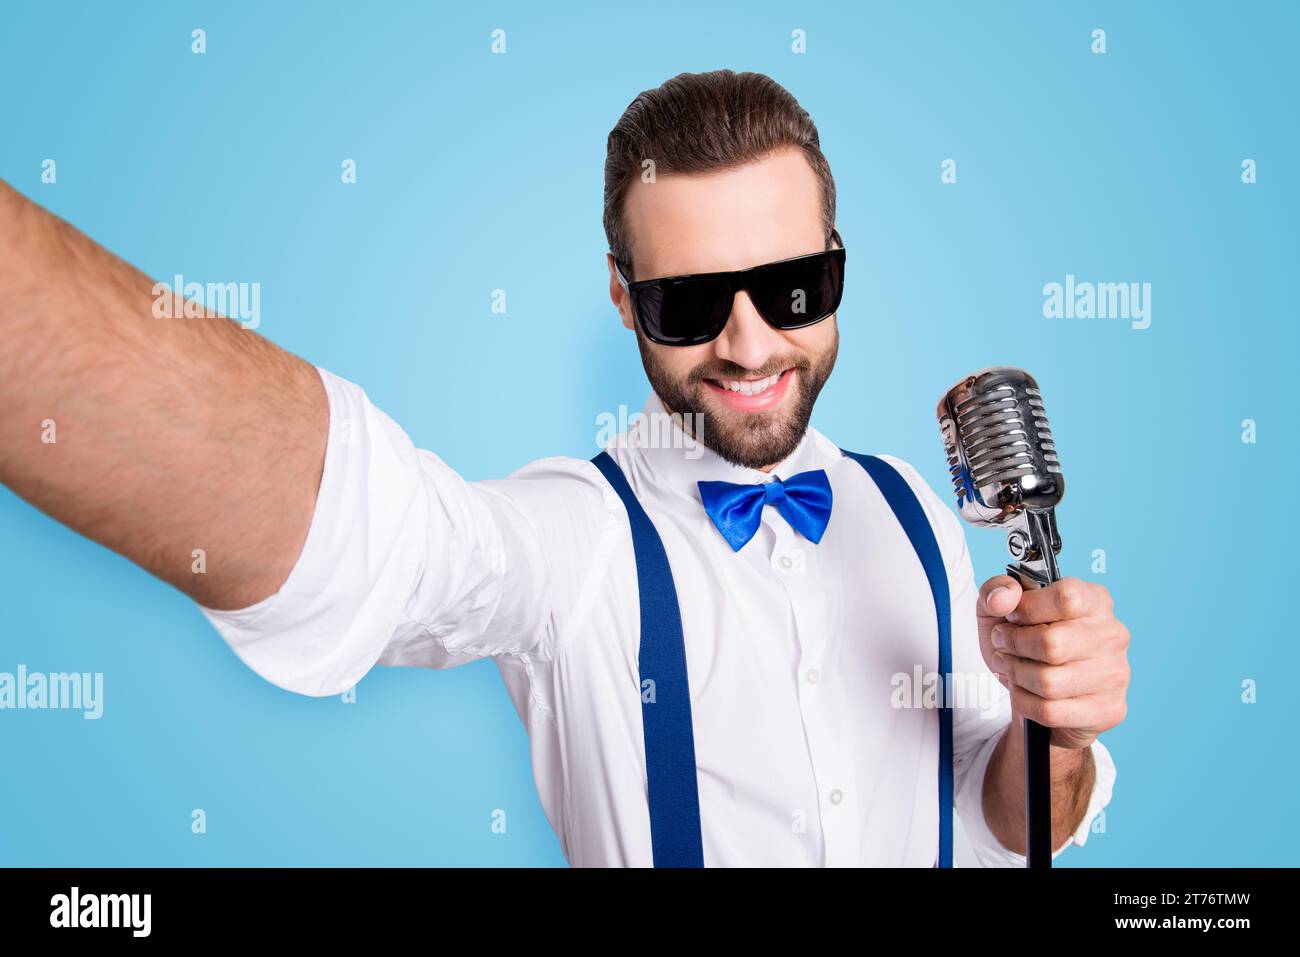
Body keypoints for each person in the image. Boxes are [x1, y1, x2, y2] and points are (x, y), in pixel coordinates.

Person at [0, 69, 1127, 867]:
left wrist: (1057, 734)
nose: (745, 344)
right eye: (686, 304)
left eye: (789, 290)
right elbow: (383, 543)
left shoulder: (919, 515)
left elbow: (1000, 827)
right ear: (620, 298)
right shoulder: (576, 534)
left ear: (836, 267)